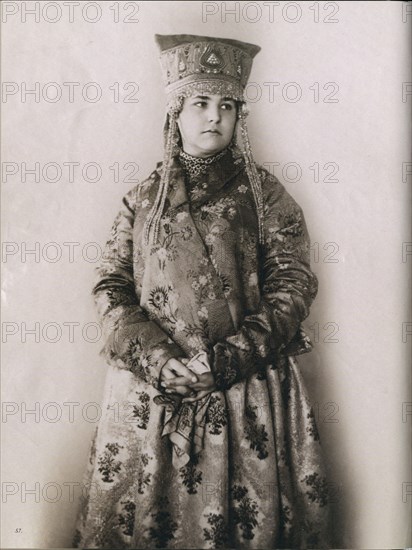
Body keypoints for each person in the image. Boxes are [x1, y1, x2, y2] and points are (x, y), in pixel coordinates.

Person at [73, 33, 330, 549]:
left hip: (243, 385)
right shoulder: (141, 198)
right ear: (176, 111)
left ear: (240, 116)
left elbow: (293, 282)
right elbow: (110, 283)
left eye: (227, 105)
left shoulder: (266, 195)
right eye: (201, 103)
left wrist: (229, 357)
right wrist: (156, 355)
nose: (214, 116)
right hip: (155, 389)